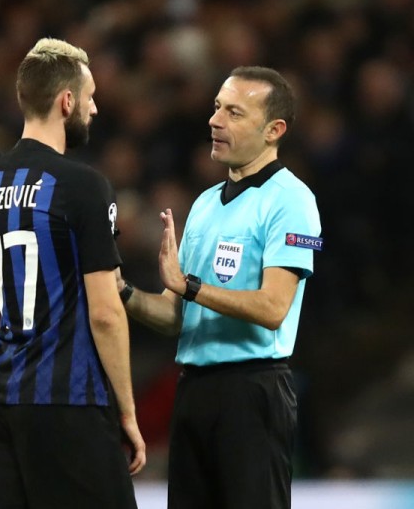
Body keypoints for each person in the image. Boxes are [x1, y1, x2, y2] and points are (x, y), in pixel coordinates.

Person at [118, 66, 322, 509]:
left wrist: (190, 287)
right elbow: (174, 317)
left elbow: (273, 308)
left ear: (274, 130)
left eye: (234, 112)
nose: (214, 121)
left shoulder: (292, 200)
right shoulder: (205, 204)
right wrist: (120, 291)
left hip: (252, 391)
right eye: (216, 108)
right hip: (193, 389)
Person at [0, 38, 146, 509]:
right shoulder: (83, 185)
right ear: (67, 102)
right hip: (68, 401)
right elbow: (105, 312)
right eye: (90, 97)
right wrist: (127, 411)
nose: (95, 108)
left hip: (0, 400)